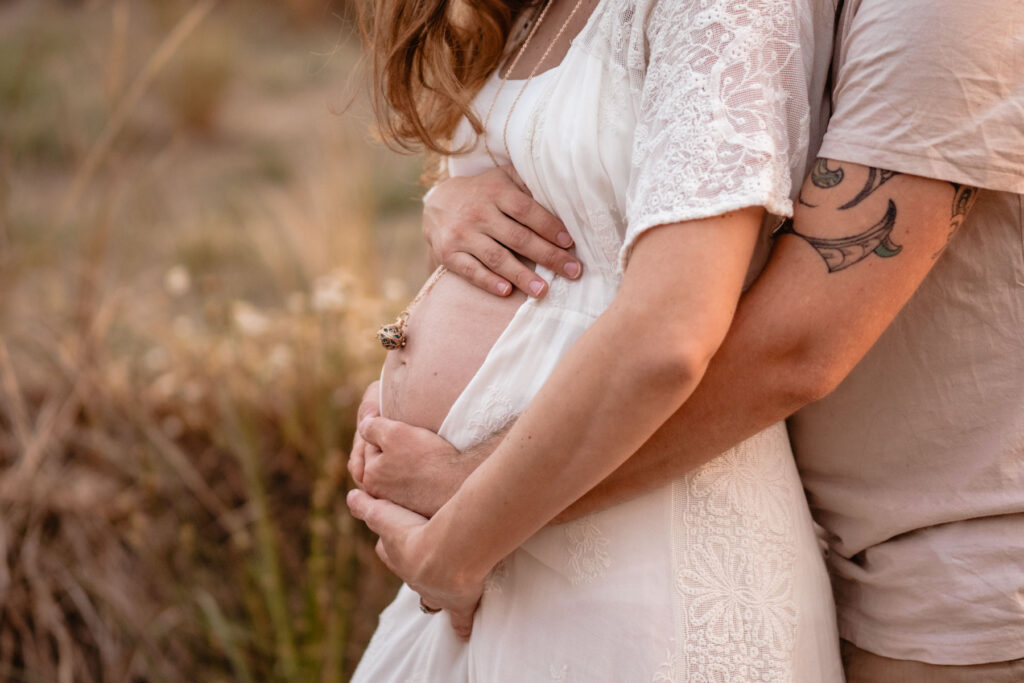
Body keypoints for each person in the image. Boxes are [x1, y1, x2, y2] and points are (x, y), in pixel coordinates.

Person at [351, 0, 1024, 681]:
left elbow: (795, 344)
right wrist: (456, 198)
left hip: (944, 581)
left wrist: (472, 505)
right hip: (787, 535)